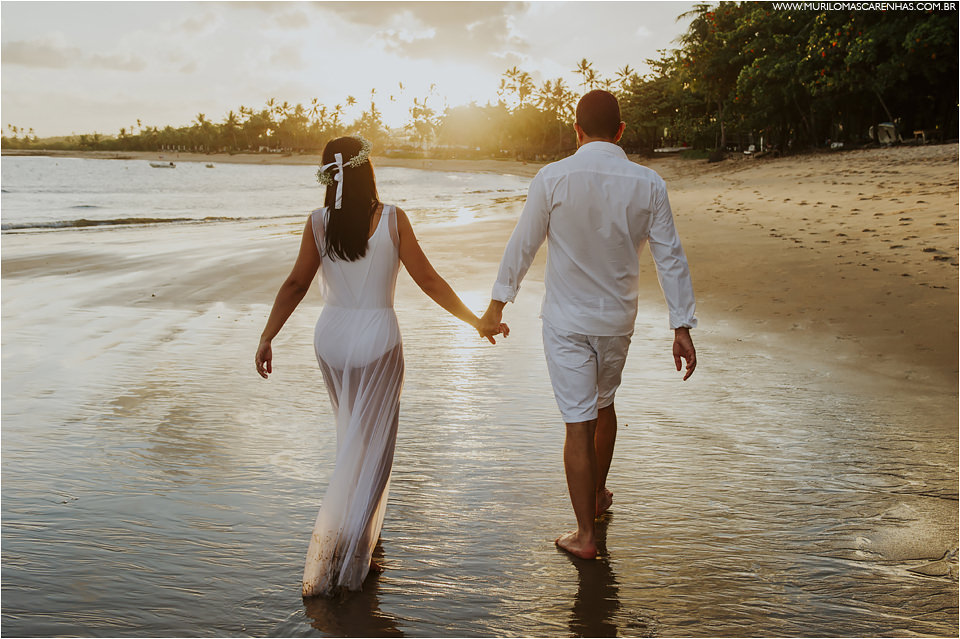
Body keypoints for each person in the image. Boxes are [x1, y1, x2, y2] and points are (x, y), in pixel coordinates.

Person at [255, 136, 507, 597]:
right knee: (375, 445)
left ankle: (360, 533)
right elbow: (427, 278)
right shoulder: (391, 218)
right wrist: (475, 321)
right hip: (378, 339)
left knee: (349, 433)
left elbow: (295, 283)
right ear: (367, 170)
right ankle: (353, 548)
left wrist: (267, 335)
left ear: (328, 175)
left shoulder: (317, 222)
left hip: (331, 339)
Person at [477, 90, 697, 560]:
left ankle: (585, 535)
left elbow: (524, 244)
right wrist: (681, 327)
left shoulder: (552, 177)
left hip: (566, 320)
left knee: (578, 423)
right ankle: (597, 496)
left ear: (576, 130)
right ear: (621, 131)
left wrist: (498, 305)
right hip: (617, 319)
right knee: (605, 404)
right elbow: (669, 257)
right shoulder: (649, 182)